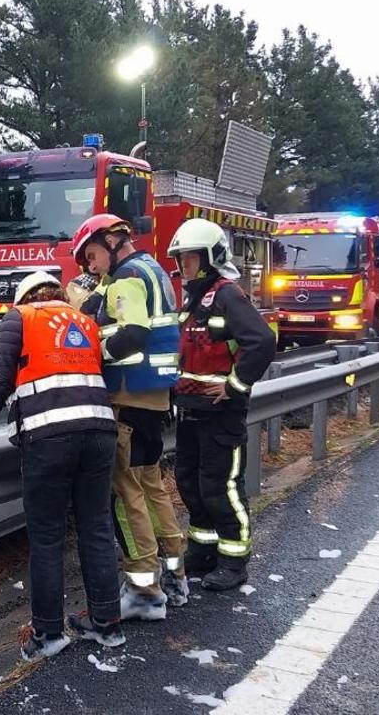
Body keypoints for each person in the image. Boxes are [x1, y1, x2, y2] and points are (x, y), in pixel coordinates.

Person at [0, 271, 125, 661]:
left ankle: (48, 634)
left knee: (48, 537)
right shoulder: (84, 320)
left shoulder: (21, 317)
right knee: (97, 528)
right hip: (100, 432)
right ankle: (107, 625)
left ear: (25, 296)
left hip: (49, 438)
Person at [71, 213, 187, 621]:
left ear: (112, 242)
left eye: (93, 254)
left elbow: (133, 332)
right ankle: (175, 574)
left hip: (127, 394)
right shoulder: (153, 270)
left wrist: (89, 356)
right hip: (152, 395)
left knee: (126, 489)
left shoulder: (125, 278)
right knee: (152, 484)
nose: (90, 264)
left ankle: (144, 589)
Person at [167, 218, 276, 590]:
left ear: (211, 257)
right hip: (191, 410)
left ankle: (234, 560)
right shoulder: (192, 299)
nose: (184, 265)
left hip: (220, 414)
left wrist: (235, 385)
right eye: (180, 258)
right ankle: (203, 552)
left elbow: (261, 341)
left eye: (190, 258)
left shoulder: (227, 294)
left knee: (220, 486)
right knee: (190, 484)